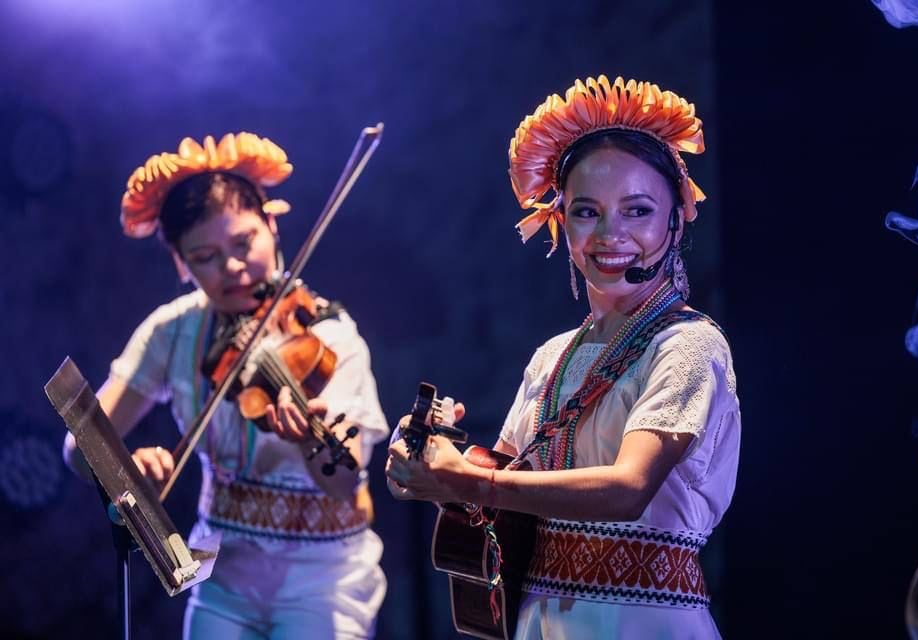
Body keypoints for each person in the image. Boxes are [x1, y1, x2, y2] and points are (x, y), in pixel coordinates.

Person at [385, 76, 741, 639]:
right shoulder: (552, 357)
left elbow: (628, 489)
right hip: (539, 623)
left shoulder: (689, 343)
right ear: (561, 220)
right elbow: (498, 502)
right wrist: (437, 465)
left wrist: (476, 485)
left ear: (676, 217)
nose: (610, 234)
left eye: (637, 210)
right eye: (585, 211)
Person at [62, 132, 389, 639]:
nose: (232, 267)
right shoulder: (173, 330)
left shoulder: (329, 336)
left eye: (243, 243)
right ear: (180, 262)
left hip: (323, 580)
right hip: (220, 576)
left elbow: (347, 484)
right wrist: (124, 470)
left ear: (272, 226)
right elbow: (78, 447)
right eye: (205, 256)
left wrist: (308, 439)